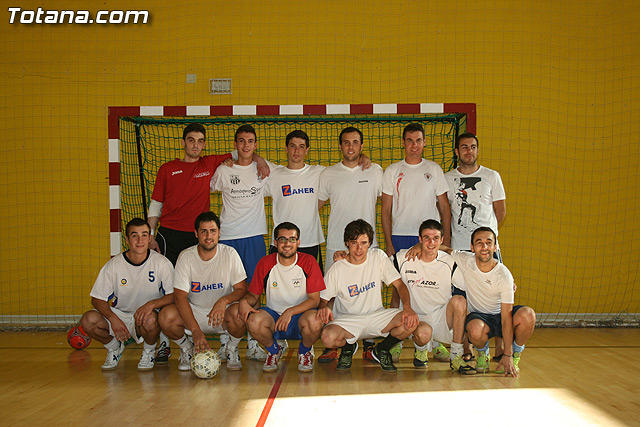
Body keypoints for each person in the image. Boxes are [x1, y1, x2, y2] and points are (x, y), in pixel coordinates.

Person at [147, 122, 267, 363]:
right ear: (183, 142)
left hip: (201, 235)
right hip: (170, 234)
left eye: (200, 141)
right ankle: (165, 343)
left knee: (224, 284)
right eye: (191, 140)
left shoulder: (209, 163)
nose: (195, 145)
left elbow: (243, 151)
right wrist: (151, 233)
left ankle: (230, 338)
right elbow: (156, 202)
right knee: (169, 289)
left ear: (204, 145)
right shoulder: (168, 169)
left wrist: (260, 159)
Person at [381, 122, 452, 360]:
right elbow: (386, 209)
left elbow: (444, 207)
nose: (414, 145)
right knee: (397, 290)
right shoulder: (392, 170)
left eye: (418, 140)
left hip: (429, 238)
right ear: (403, 143)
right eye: (410, 140)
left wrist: (446, 241)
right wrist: (389, 242)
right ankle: (396, 339)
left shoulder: (434, 169)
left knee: (434, 288)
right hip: (401, 235)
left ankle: (435, 339)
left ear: (424, 142)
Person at [210, 124, 278, 361]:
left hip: (254, 236)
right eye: (241, 141)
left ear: (255, 144)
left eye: (250, 141)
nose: (246, 145)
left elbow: (293, 171)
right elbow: (205, 185)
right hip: (228, 237)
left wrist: (259, 160)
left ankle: (252, 341)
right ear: (235, 144)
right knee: (227, 289)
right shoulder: (223, 170)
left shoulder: (265, 169)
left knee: (253, 289)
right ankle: (225, 341)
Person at [317, 126, 383, 362]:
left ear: (362, 146)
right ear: (340, 146)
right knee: (332, 294)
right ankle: (336, 342)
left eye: (355, 142)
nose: (351, 146)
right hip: (337, 242)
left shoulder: (375, 171)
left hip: (367, 245)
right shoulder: (328, 174)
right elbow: (316, 205)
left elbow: (387, 202)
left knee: (370, 293)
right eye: (346, 142)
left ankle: (369, 342)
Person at [318, 219, 419, 372]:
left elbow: (400, 285)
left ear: (370, 243)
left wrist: (407, 307)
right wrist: (324, 307)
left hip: (376, 316)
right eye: (354, 243)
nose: (359, 248)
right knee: (327, 338)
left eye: (364, 243)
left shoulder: (378, 257)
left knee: (410, 321)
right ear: (346, 243)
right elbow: (323, 299)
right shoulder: (337, 268)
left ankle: (381, 350)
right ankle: (348, 347)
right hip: (348, 320)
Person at [157, 212, 249, 371]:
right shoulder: (186, 256)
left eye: (213, 231)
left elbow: (241, 289)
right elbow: (180, 297)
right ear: (196, 233)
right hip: (195, 312)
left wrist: (223, 301)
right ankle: (187, 348)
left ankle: (231, 349)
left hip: (222, 313)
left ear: (219, 233)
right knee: (166, 316)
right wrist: (195, 330)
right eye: (203, 231)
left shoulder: (230, 254)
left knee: (240, 313)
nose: (208, 236)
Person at [80, 218, 174, 371]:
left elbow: (173, 295)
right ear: (127, 239)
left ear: (150, 238)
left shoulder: (161, 263)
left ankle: (149, 352)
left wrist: (151, 305)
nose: (140, 240)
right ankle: (114, 348)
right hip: (121, 315)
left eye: (144, 235)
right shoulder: (114, 264)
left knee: (150, 319)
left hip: (147, 316)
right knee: (88, 320)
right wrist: (113, 318)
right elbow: (97, 299)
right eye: (134, 235)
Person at [445, 132, 507, 360]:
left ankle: (501, 350)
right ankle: (467, 348)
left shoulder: (492, 176)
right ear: (457, 151)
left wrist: (486, 241)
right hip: (460, 250)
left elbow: (500, 211)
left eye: (472, 147)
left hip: (487, 251)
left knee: (497, 297)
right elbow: (445, 213)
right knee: (462, 298)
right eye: (464, 147)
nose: (468, 151)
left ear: (477, 150)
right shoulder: (447, 178)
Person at [443, 227, 536, 376]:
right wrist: (418, 246)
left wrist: (507, 354)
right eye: (479, 243)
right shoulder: (466, 260)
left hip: (501, 316)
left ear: (495, 247)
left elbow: (506, 318)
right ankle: (482, 354)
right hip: (480, 318)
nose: (484, 247)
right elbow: (446, 249)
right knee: (474, 329)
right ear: (472, 247)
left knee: (528, 315)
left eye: (488, 242)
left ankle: (515, 354)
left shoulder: (503, 276)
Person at [237, 222, 325, 373]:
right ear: (275, 242)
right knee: (253, 321)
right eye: (282, 239)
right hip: (274, 318)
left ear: (298, 242)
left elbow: (314, 300)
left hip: (300, 318)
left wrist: (290, 312)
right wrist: (244, 302)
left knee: (316, 320)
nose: (287, 244)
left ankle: (304, 352)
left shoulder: (309, 261)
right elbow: (253, 295)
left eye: (292, 239)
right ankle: (273, 350)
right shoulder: (265, 263)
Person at [391, 219, 475, 374]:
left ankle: (456, 356)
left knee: (459, 301)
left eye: (436, 238)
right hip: (414, 320)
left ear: (442, 240)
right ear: (420, 239)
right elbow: (376, 267)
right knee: (422, 332)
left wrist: (502, 286)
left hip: (441, 318)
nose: (431, 243)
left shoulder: (450, 262)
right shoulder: (403, 258)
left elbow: (472, 285)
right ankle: (419, 349)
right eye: (427, 238)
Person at [263, 130, 326, 271]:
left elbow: (344, 168)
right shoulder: (274, 175)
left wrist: (362, 157)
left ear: (307, 150)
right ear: (286, 148)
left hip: (309, 241)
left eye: (301, 146)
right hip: (282, 242)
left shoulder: (319, 173)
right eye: (292, 146)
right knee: (277, 282)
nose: (296, 151)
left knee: (311, 284)